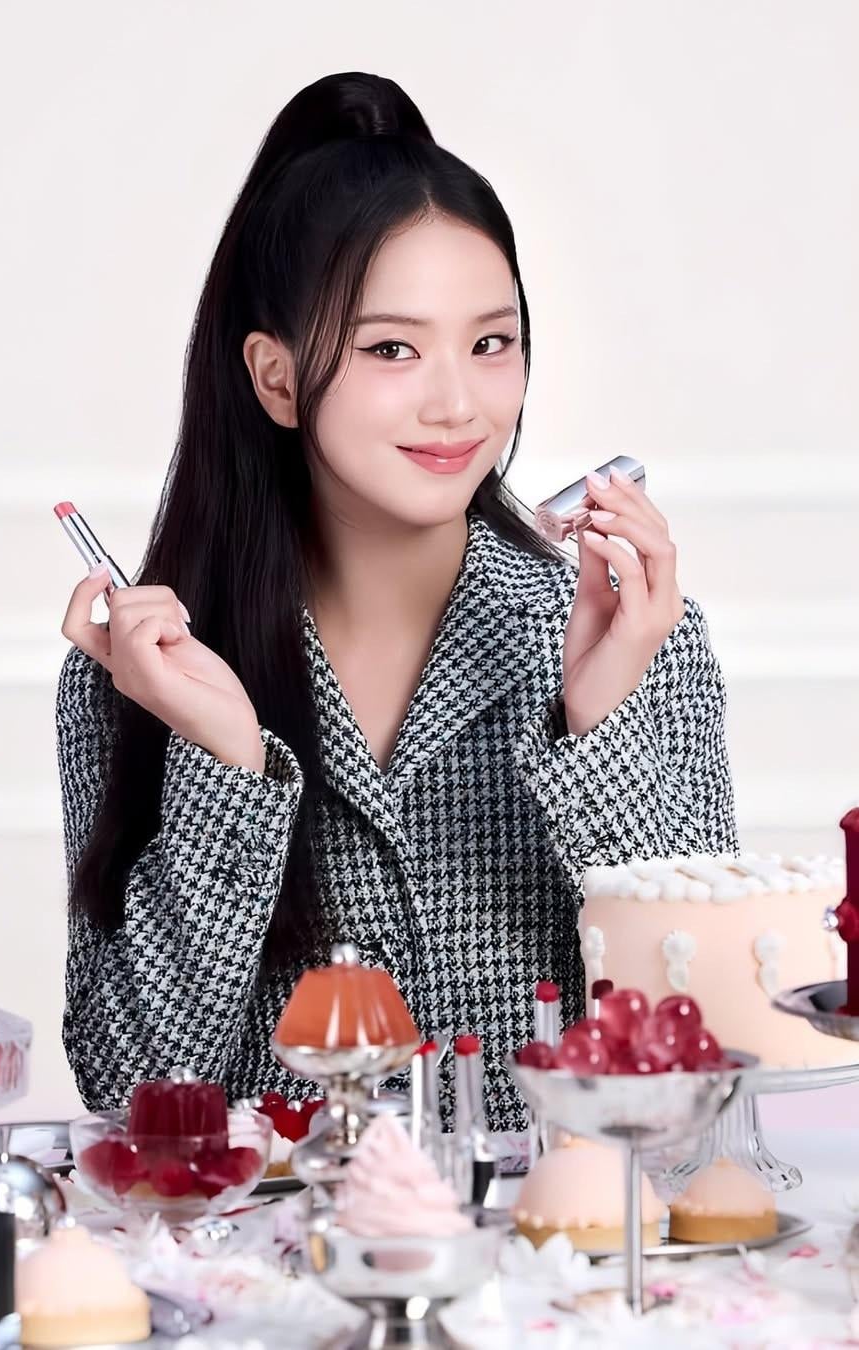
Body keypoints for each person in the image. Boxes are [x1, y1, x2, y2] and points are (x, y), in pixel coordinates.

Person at [56, 72, 737, 1129]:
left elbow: (707, 1027)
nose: (458, 402)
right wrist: (226, 767)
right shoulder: (140, 678)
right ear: (276, 378)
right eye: (391, 349)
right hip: (283, 1238)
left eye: (491, 343)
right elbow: (129, 1092)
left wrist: (599, 726)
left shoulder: (637, 634)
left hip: (565, 1227)